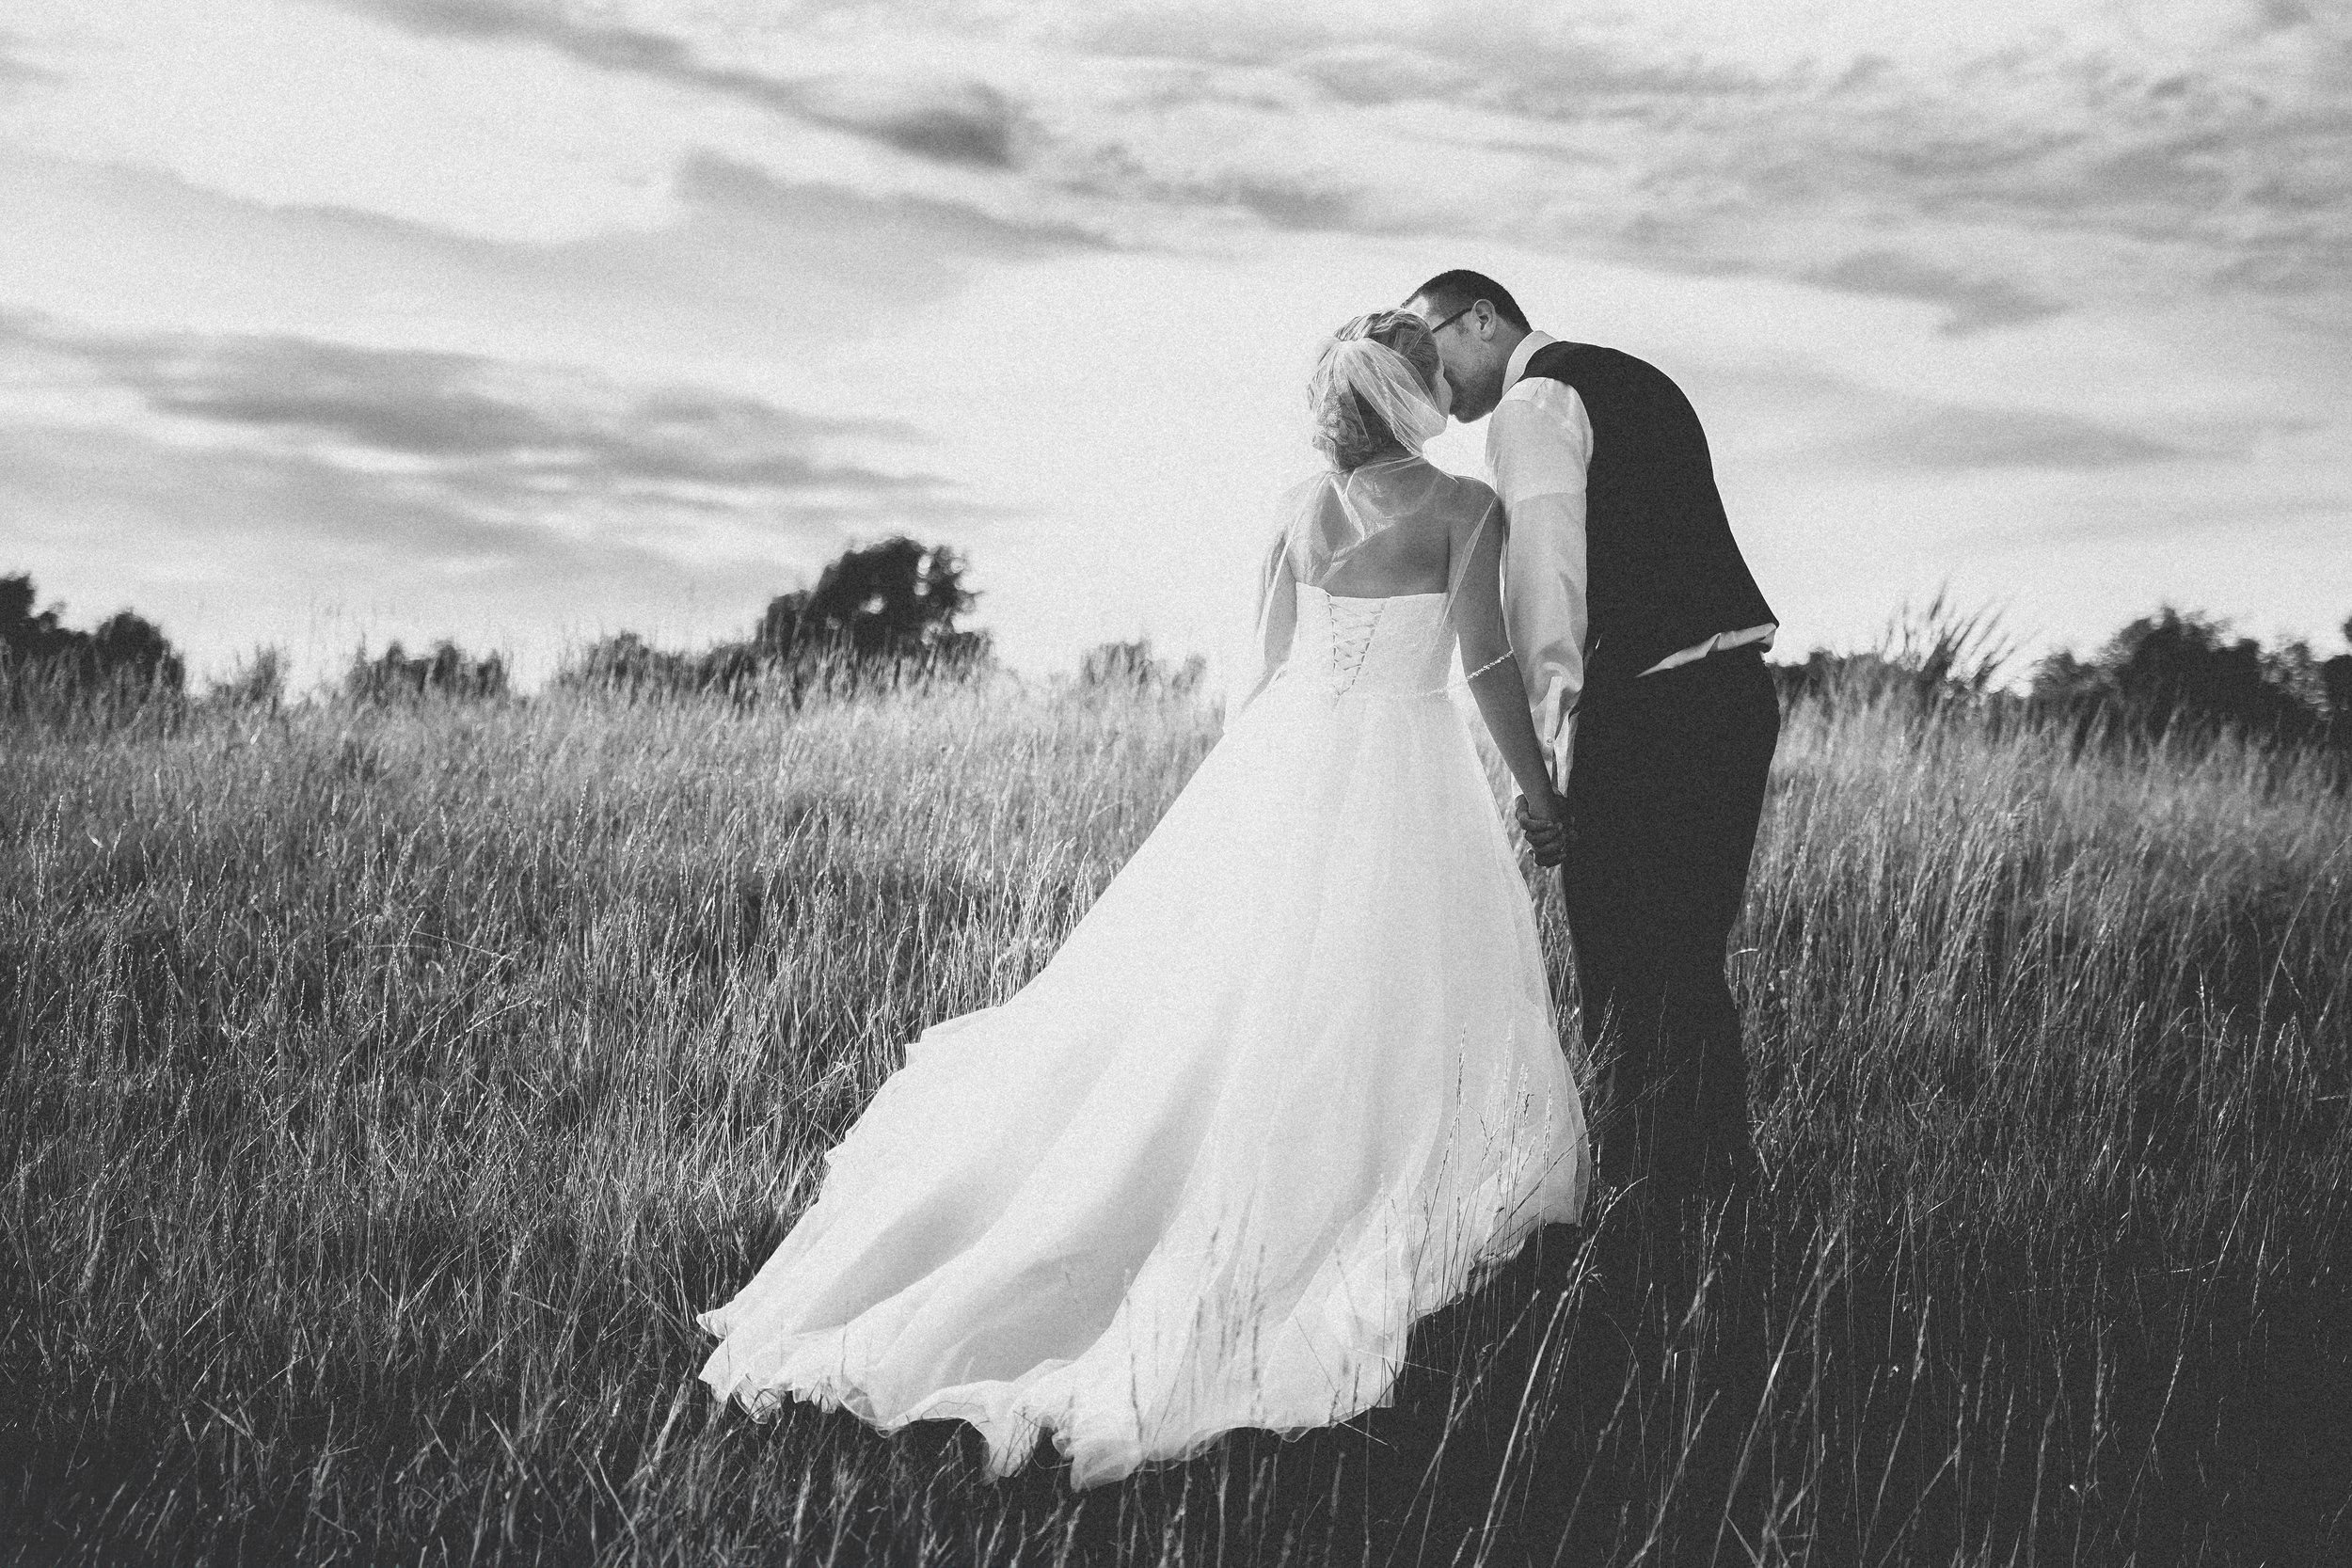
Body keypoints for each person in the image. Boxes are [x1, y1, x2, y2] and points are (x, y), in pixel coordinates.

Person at [696, 309, 1589, 1489]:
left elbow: (1267, 667)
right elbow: (1479, 665)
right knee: (1389, 998)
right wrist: (1538, 792)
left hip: (1286, 762)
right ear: (1420, 393)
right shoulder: (1465, 511)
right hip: (1403, 772)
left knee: (1234, 999)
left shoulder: (1292, 510)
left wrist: (1251, 799)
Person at [1404, 269, 1781, 1209]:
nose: (1421, 369)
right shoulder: (1636, 378)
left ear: (1480, 320)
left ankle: (1643, 1208)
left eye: (1428, 339)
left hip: (1650, 711)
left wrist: (1549, 768)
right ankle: (1721, 1198)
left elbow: (1544, 593)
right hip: (1735, 697)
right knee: (1687, 964)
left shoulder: (1533, 404)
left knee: (1622, 975)